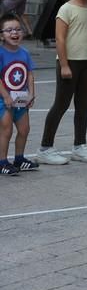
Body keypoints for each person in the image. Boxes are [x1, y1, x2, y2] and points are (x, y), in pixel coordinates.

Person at [37, 0, 87, 165]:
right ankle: (45, 148)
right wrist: (64, 65)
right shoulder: (66, 9)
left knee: (83, 106)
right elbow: (60, 39)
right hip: (70, 64)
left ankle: (79, 147)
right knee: (61, 105)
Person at [0, 13, 38, 174]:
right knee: (6, 130)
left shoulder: (24, 53)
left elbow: (29, 74)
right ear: (1, 35)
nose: (14, 33)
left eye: (18, 29)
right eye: (9, 30)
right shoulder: (1, 53)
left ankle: (19, 158)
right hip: (4, 101)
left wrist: (31, 94)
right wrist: (6, 96)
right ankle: (2, 162)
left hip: (21, 99)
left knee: (24, 129)